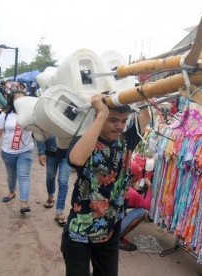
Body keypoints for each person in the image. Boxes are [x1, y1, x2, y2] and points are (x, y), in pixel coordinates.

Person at [61, 94, 150, 276]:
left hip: (110, 230)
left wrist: (142, 92)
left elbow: (144, 115)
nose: (119, 126)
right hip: (80, 233)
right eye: (113, 120)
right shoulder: (85, 141)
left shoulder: (126, 140)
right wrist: (101, 113)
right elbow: (76, 159)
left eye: (124, 121)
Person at [0, 89, 34, 214]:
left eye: (23, 99)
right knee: (11, 175)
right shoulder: (5, 115)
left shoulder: (32, 115)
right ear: (12, 101)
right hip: (8, 152)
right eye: (18, 99)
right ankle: (12, 192)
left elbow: (39, 131)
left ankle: (24, 203)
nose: (21, 102)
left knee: (23, 176)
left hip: (25, 151)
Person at [37, 136, 71, 227]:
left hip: (67, 153)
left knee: (63, 182)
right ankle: (50, 196)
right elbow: (41, 132)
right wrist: (41, 153)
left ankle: (59, 212)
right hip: (51, 153)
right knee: (50, 177)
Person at [119, 177, 152, 251]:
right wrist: (149, 190)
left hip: (107, 222)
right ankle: (119, 238)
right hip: (114, 226)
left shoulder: (128, 188)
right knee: (142, 212)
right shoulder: (135, 195)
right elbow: (147, 206)